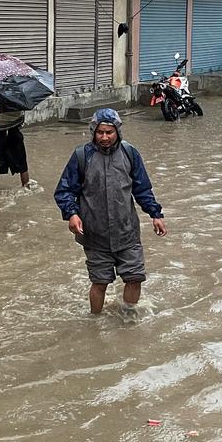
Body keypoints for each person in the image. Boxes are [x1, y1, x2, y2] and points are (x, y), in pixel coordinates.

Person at [54, 109, 166, 315]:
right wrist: (72, 214)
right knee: (100, 282)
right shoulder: (82, 156)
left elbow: (142, 188)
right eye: (100, 132)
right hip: (95, 234)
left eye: (109, 132)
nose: (104, 137)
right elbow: (65, 191)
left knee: (134, 278)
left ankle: (129, 318)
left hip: (127, 232)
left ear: (118, 132)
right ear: (93, 132)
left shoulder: (129, 153)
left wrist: (155, 214)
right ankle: (95, 322)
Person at [0, 110, 31, 194]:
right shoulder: (17, 102)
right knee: (23, 165)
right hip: (13, 129)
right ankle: (27, 191)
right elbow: (21, 119)